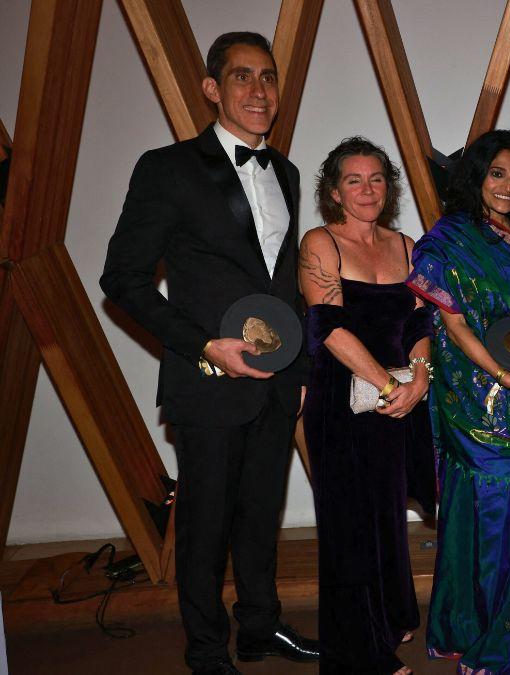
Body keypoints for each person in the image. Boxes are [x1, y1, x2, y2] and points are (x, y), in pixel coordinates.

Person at [100, 32, 319, 674]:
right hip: (207, 379)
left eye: (268, 78)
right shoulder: (165, 168)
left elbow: (281, 287)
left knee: (260, 517)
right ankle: (205, 649)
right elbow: (123, 279)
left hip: (276, 384)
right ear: (211, 89)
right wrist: (205, 346)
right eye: (242, 77)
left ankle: (259, 626)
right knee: (204, 526)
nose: (259, 91)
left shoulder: (286, 171)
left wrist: (298, 369)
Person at [407, 130, 510, 674]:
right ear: (476, 177)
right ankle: (498, 641)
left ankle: (472, 624)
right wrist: (502, 375)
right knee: (490, 519)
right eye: (497, 173)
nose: (508, 186)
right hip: (477, 402)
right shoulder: (451, 237)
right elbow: (450, 321)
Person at [299, 137, 435, 675]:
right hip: (342, 405)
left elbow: (422, 321)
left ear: (389, 187)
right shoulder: (320, 244)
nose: (367, 189)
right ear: (334, 192)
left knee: (386, 515)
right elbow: (329, 326)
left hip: (399, 400)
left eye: (376, 178)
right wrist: (388, 385)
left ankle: (388, 615)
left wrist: (420, 380)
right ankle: (358, 653)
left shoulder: (407, 245)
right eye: (353, 180)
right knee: (348, 525)